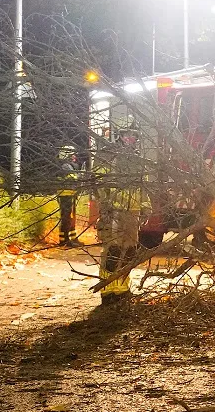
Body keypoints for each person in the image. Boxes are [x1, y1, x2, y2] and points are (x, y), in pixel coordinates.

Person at [96, 129, 149, 305]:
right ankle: (107, 290)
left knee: (129, 251)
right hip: (114, 211)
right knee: (113, 250)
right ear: (120, 136)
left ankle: (122, 289)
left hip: (132, 212)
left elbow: (143, 186)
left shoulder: (137, 159)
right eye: (127, 135)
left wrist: (145, 207)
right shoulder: (108, 156)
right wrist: (105, 206)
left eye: (134, 136)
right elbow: (98, 182)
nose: (131, 139)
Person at [56, 146, 83, 247]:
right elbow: (73, 178)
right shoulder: (66, 166)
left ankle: (72, 238)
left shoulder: (69, 165)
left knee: (70, 217)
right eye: (72, 154)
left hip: (69, 194)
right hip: (65, 195)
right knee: (66, 218)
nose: (74, 156)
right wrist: (80, 176)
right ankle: (64, 240)